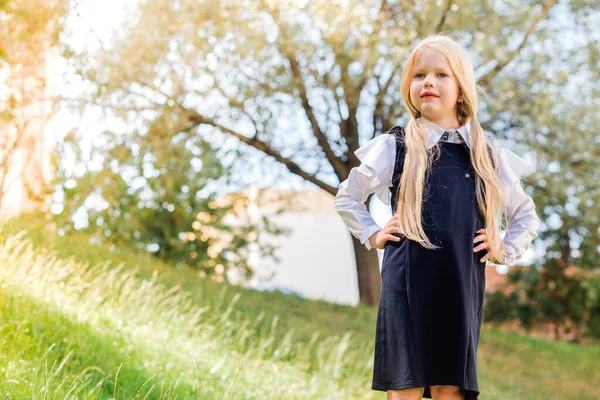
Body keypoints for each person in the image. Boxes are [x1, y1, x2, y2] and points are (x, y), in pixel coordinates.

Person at [333, 34, 541, 400]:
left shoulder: (486, 155)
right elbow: (348, 197)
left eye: (441, 74)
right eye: (419, 75)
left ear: (461, 87)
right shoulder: (394, 147)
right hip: (406, 284)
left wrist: (503, 248)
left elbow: (525, 215)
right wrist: (373, 233)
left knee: (450, 390)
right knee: (404, 387)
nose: (428, 82)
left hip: (460, 284)